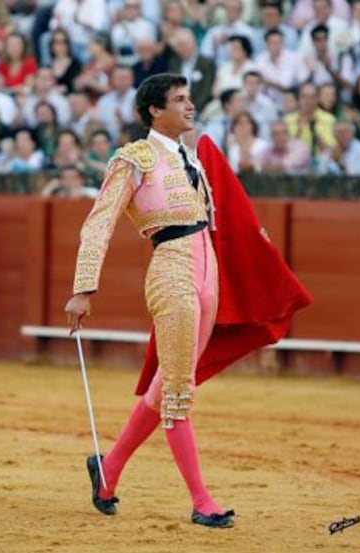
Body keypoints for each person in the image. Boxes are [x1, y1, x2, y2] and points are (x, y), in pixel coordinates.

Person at [64, 73, 311, 528]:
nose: (189, 105)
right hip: (172, 270)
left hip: (207, 273)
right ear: (155, 110)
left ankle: (108, 469)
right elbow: (99, 223)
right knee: (178, 393)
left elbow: (223, 223)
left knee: (169, 386)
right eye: (179, 99)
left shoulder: (194, 160)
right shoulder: (133, 159)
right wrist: (84, 287)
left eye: (189, 97)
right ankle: (202, 500)